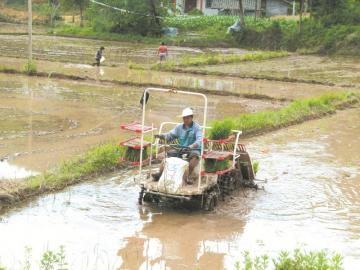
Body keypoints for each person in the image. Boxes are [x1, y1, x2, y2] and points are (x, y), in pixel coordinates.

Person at [153, 108, 202, 184]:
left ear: (192, 117)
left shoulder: (197, 128)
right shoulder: (179, 127)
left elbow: (199, 140)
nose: (186, 120)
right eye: (184, 118)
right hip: (181, 148)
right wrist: (161, 136)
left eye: (187, 118)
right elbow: (169, 135)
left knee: (194, 157)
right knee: (169, 154)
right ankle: (160, 173)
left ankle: (187, 177)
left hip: (193, 149)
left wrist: (192, 146)